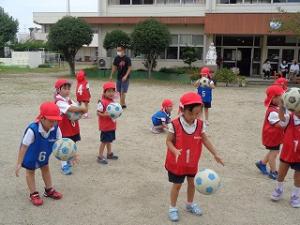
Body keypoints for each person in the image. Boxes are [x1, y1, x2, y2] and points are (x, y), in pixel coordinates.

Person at [165, 92, 224, 222]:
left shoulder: (200, 124)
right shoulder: (174, 124)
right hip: (177, 163)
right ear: (182, 110)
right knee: (177, 185)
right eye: (191, 113)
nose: (194, 117)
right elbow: (168, 141)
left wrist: (215, 153)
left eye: (197, 113)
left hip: (192, 162)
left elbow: (206, 140)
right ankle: (173, 207)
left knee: (192, 183)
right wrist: (174, 150)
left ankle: (190, 204)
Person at [15, 102, 63, 206]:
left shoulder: (56, 128)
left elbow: (61, 144)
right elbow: (23, 146)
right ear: (42, 118)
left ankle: (49, 189)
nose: (53, 123)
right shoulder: (33, 130)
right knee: (30, 172)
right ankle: (33, 193)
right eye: (51, 120)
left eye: (55, 120)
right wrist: (19, 162)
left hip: (44, 153)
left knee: (45, 168)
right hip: (31, 155)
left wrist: (70, 155)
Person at [271, 99, 300, 208]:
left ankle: (296, 195)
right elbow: (282, 119)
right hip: (287, 152)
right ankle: (279, 189)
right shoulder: (290, 118)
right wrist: (282, 106)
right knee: (281, 173)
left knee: (298, 176)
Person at [54, 79, 87, 175]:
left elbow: (76, 107)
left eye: (69, 88)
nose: (67, 90)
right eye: (65, 88)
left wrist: (80, 110)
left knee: (72, 143)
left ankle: (69, 158)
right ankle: (64, 165)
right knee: (64, 146)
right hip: (64, 128)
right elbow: (72, 108)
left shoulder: (69, 99)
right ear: (58, 90)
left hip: (72, 128)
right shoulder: (58, 101)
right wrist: (82, 108)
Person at [256, 85, 286, 180]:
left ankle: (262, 163)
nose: (282, 98)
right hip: (271, 137)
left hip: (275, 136)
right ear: (274, 98)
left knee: (274, 151)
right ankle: (273, 172)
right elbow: (279, 125)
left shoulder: (276, 108)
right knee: (274, 153)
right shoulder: (272, 111)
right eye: (280, 97)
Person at [97, 81, 119, 165]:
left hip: (111, 126)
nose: (111, 93)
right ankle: (100, 156)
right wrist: (104, 114)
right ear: (104, 92)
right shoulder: (102, 102)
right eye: (108, 91)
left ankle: (109, 153)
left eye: (112, 91)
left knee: (109, 140)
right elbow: (98, 112)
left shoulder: (113, 102)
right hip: (105, 126)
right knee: (104, 141)